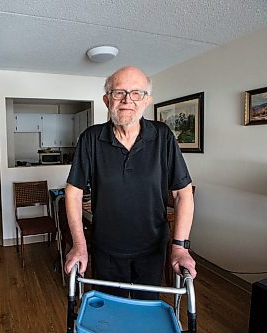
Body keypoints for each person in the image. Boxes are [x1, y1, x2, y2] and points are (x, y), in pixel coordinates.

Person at [64, 66, 196, 300]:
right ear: (107, 100)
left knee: (145, 313)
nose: (127, 100)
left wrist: (180, 247)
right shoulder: (91, 139)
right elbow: (73, 194)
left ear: (147, 101)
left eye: (137, 93)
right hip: (105, 250)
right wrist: (79, 245)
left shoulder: (163, 136)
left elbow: (182, 194)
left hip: (152, 250)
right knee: (110, 315)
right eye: (119, 93)